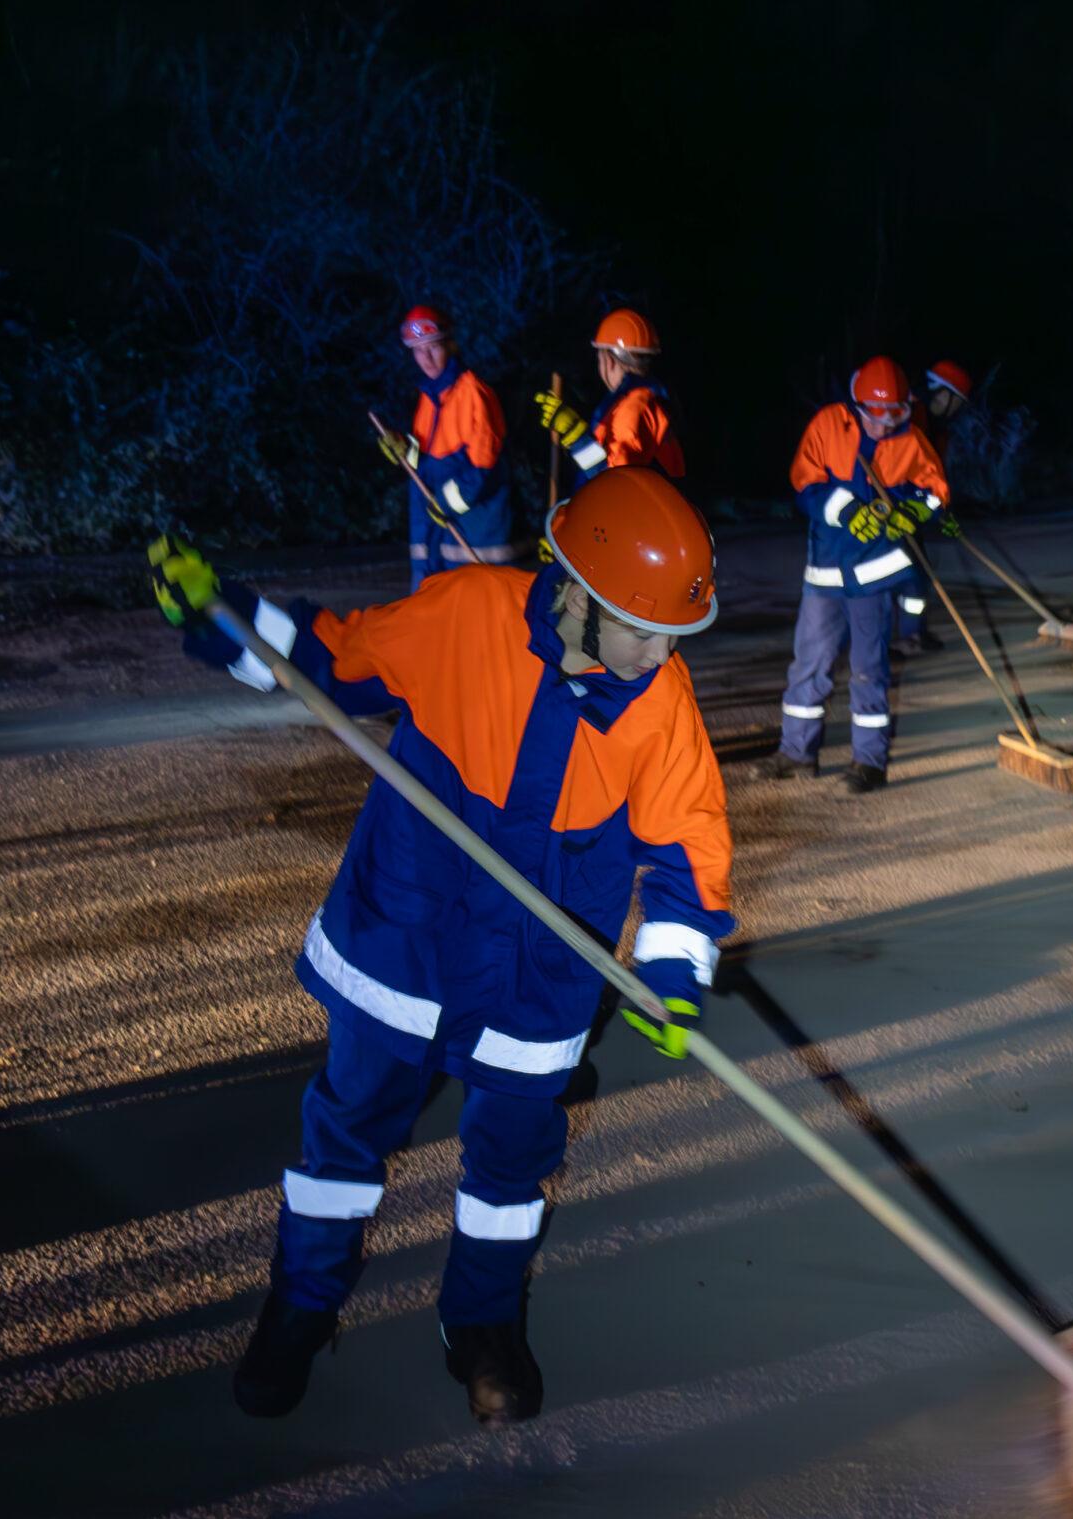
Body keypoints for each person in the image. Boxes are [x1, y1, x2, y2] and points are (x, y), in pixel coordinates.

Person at [145, 467, 733, 1427]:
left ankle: (483, 1322)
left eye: (675, 634)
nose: (663, 652)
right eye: (645, 629)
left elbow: (689, 849)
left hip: (535, 976)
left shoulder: (661, 700)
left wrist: (672, 975)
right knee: (347, 1130)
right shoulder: (469, 613)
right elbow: (332, 659)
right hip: (407, 942)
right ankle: (301, 1302)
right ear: (579, 595)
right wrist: (227, 616)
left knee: (511, 1159)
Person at [767, 356, 950, 793]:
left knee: (869, 669)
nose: (884, 426)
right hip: (826, 573)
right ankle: (796, 753)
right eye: (876, 415)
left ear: (906, 408)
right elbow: (804, 481)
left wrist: (913, 511)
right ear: (857, 405)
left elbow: (936, 492)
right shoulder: (829, 426)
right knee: (809, 664)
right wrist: (845, 509)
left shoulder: (912, 441)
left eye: (895, 415)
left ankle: (869, 762)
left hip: (873, 577)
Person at [383, 306, 514, 590]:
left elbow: (483, 470)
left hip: (472, 539)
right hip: (435, 541)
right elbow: (426, 465)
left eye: (432, 347)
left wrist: (444, 504)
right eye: (418, 351)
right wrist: (402, 451)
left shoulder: (474, 394)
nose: (426, 358)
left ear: (450, 345)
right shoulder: (428, 398)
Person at [536, 308, 688, 489]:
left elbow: (614, 482)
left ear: (609, 360)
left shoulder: (633, 408)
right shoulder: (645, 401)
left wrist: (576, 436)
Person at [892, 360, 974, 656]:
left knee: (918, 576)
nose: (957, 410)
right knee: (902, 577)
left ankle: (913, 633)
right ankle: (886, 643)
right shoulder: (908, 417)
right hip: (891, 513)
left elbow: (933, 479)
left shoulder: (936, 428)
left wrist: (941, 513)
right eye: (957, 402)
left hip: (911, 513)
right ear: (942, 393)